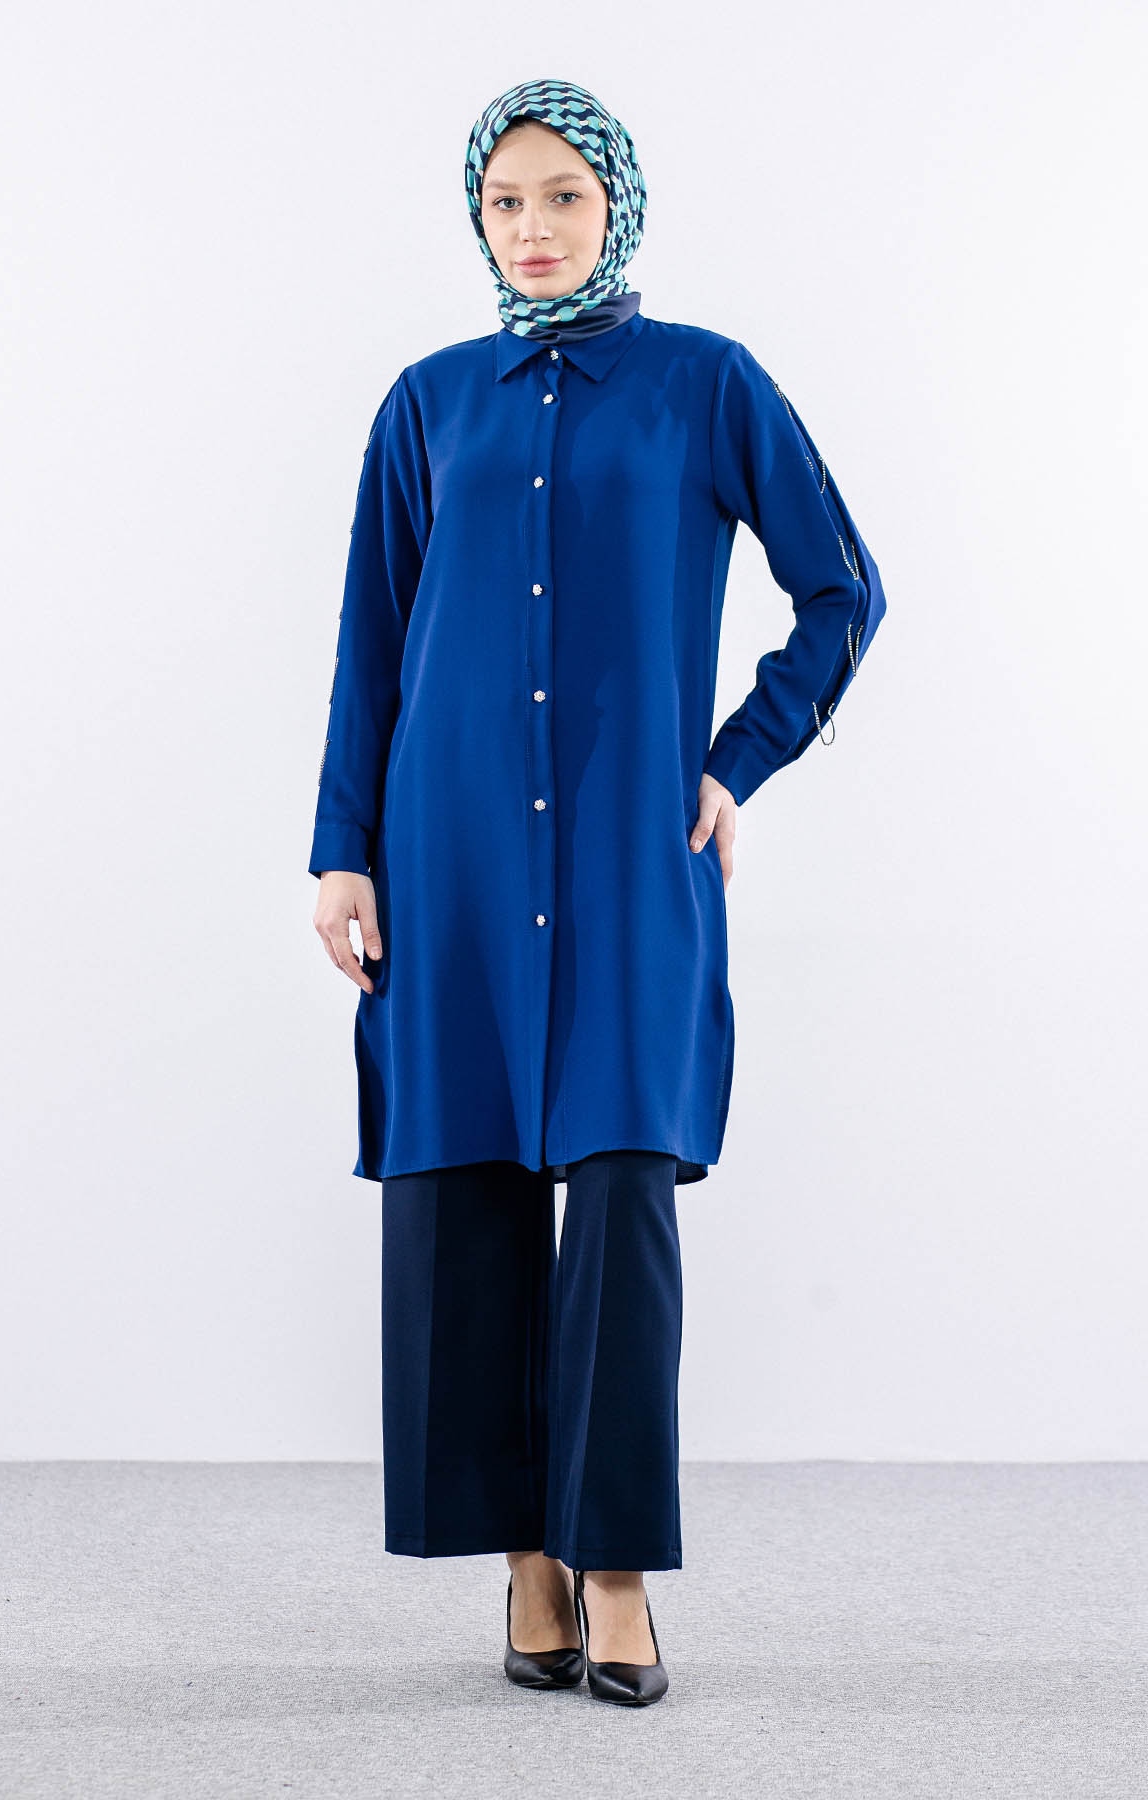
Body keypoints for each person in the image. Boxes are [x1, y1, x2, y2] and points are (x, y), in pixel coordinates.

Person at [309, 77, 886, 1708]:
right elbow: (370, 647)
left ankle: (616, 1568)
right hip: (450, 857)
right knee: (468, 1197)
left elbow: (843, 589)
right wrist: (342, 847)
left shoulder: (706, 384)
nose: (535, 227)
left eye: (564, 194)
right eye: (506, 201)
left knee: (622, 1193)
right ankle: (527, 1566)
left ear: (616, 203)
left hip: (633, 856)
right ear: (477, 218)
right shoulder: (428, 404)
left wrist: (738, 759)